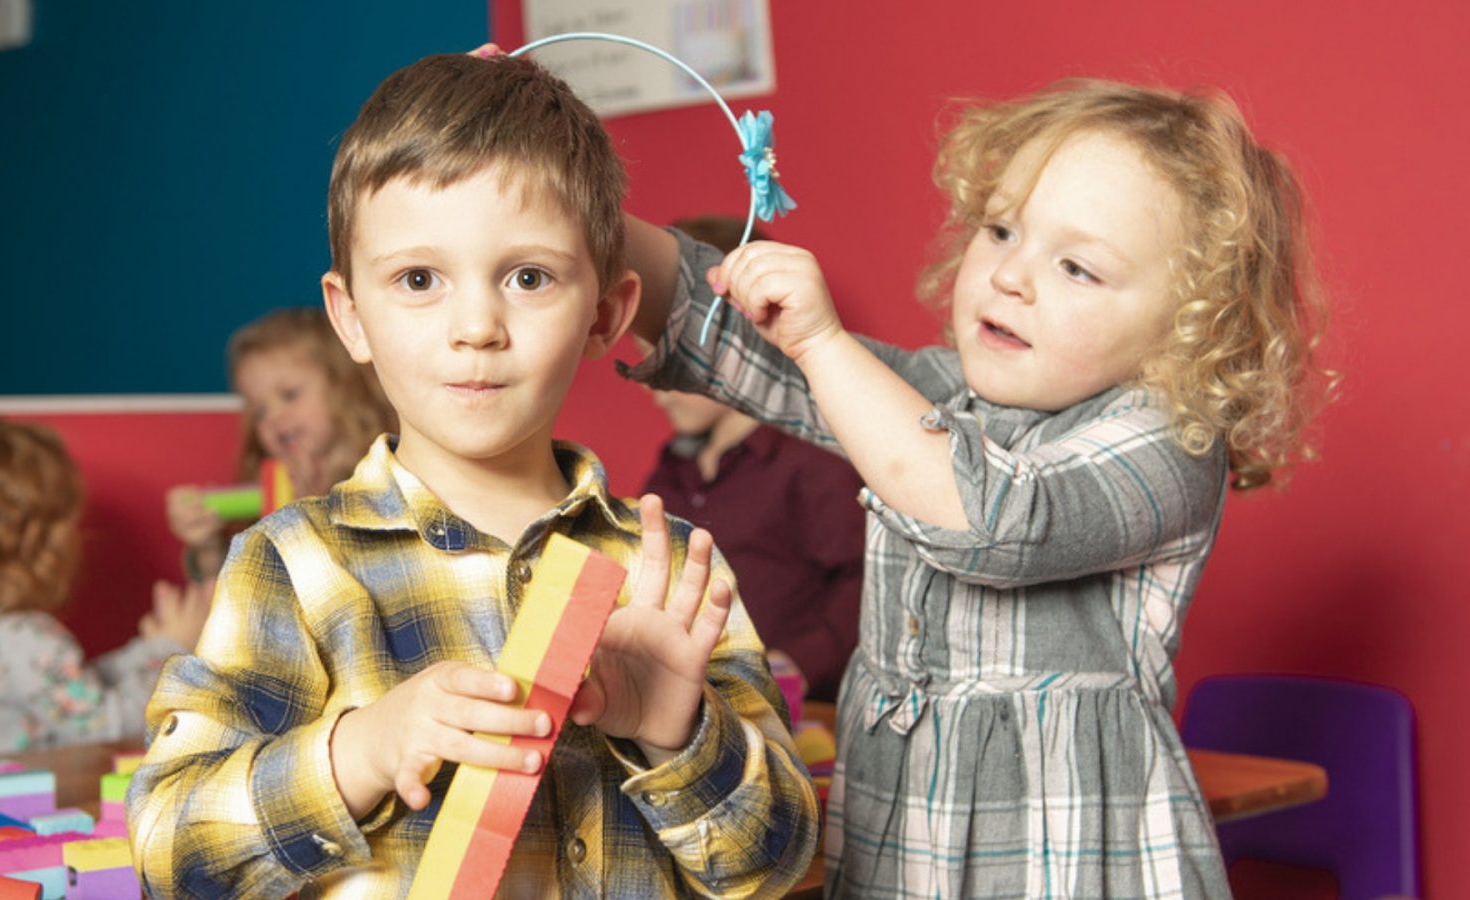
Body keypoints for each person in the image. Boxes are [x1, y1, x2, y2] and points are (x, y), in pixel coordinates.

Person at [126, 52, 817, 898]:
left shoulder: (664, 570)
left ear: (605, 314)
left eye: (529, 277)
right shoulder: (298, 566)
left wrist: (680, 732)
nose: (477, 326)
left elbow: (778, 864)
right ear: (352, 317)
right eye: (420, 279)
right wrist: (362, 751)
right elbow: (167, 848)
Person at [623, 79, 1334, 896]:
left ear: (1186, 330)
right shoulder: (947, 396)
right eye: (1001, 230)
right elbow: (751, 354)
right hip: (901, 862)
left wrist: (824, 345)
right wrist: (587, 223)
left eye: (1077, 267)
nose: (1010, 277)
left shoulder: (1169, 442)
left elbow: (997, 518)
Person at [0, 417, 210, 761]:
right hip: (4, 808)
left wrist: (149, 651)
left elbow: (74, 687)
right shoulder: (26, 637)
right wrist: (173, 651)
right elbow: (111, 724)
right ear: (36, 545)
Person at [640, 214, 864, 702]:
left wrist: (799, 664)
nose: (659, 391)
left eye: (671, 358)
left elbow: (863, 583)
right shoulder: (670, 471)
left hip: (795, 715)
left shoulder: (812, 462)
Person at [164, 306, 395, 582]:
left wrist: (309, 515)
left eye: (289, 395)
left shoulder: (392, 470)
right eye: (259, 411)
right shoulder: (273, 486)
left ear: (345, 383)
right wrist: (207, 547)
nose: (274, 417)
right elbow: (240, 604)